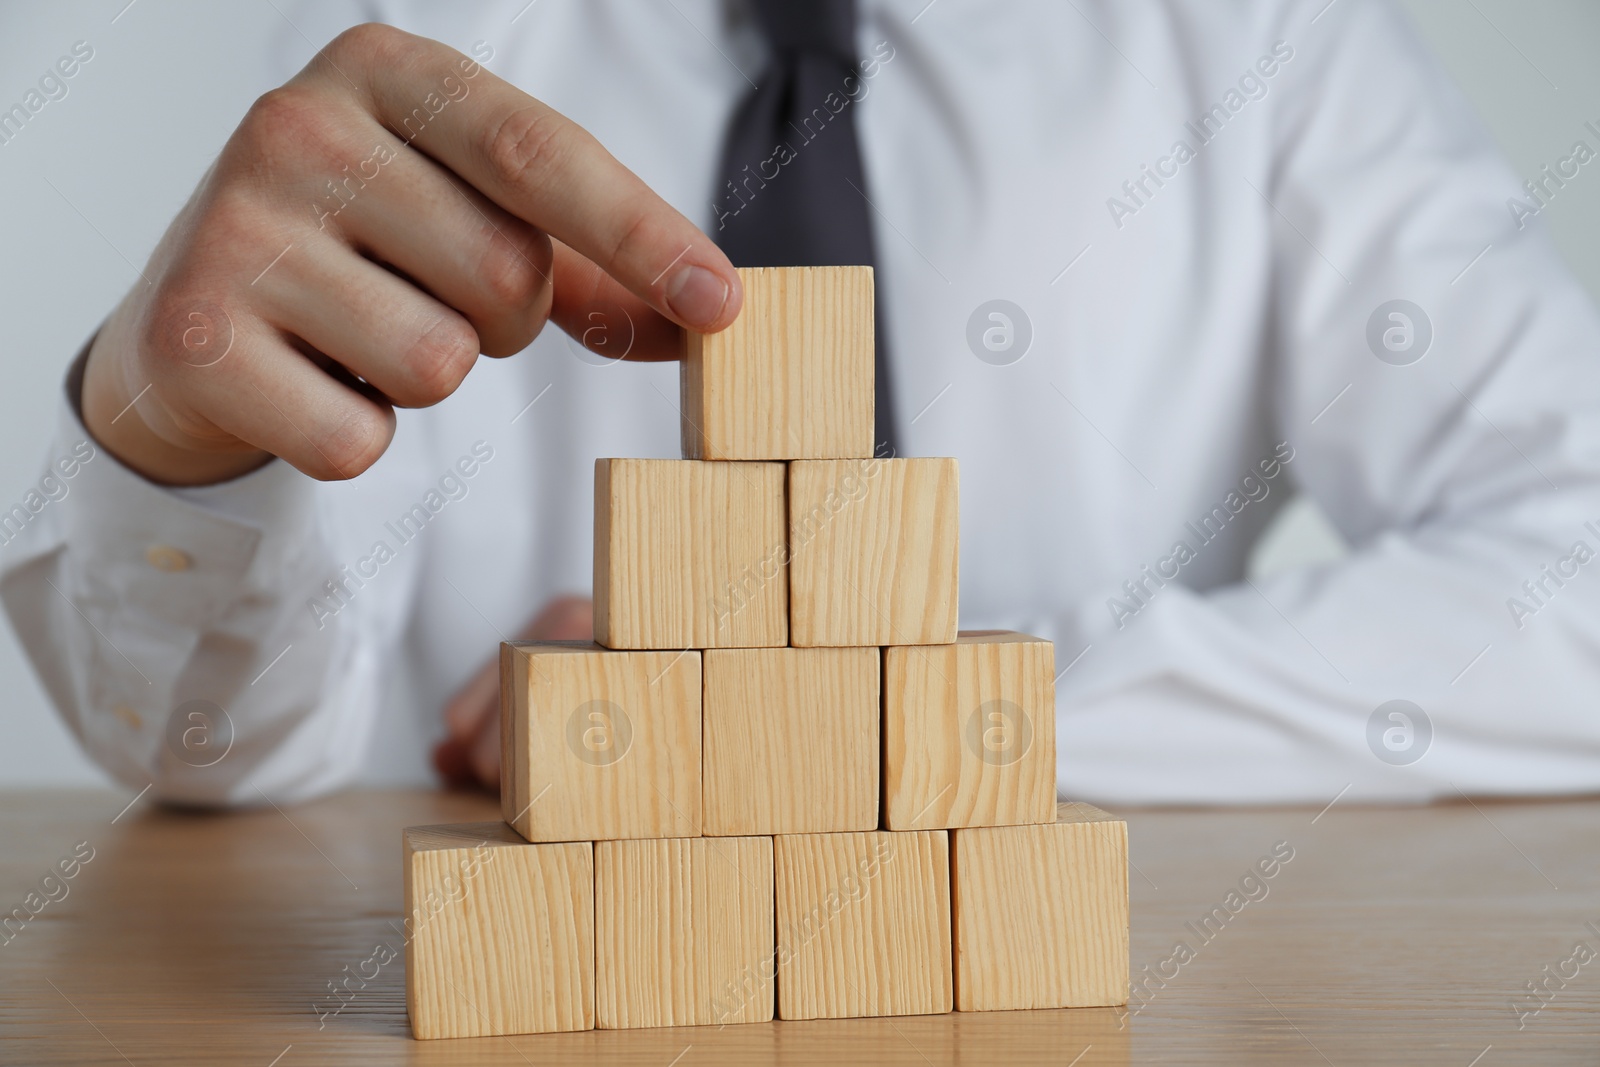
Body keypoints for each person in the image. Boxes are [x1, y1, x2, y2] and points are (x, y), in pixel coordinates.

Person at [6, 0, 1600, 808]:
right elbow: (207, 752)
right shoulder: (426, 46)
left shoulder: (1258, 39)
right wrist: (176, 447)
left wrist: (881, 730)